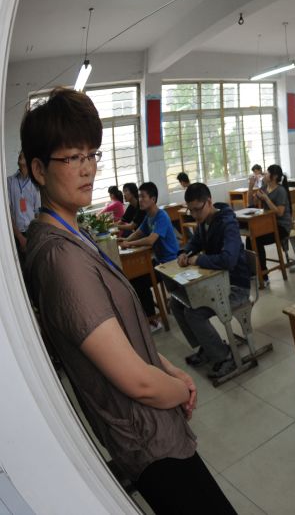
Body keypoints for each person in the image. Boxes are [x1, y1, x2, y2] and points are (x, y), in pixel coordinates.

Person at [20, 88, 234, 514]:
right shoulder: (60, 257)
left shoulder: (71, 233)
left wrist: (170, 368)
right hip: (147, 441)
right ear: (40, 169)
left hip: (156, 425)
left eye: (92, 154)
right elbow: (135, 382)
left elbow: (125, 335)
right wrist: (179, 388)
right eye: (72, 158)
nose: (88, 169)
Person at [171, 183, 250, 381]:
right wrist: (184, 252)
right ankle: (206, 347)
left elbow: (229, 260)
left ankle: (224, 357)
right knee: (176, 302)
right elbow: (194, 242)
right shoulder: (204, 221)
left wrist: (200, 259)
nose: (195, 215)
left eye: (198, 209)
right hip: (216, 283)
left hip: (235, 286)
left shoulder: (227, 223)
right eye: (191, 210)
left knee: (193, 313)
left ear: (209, 202)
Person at [119, 182, 180, 331]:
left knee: (139, 281)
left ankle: (154, 321)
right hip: (159, 261)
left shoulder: (161, 216)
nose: (140, 200)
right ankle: (149, 315)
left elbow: (151, 239)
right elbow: (139, 232)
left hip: (170, 262)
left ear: (153, 199)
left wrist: (130, 244)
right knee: (135, 277)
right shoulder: (148, 217)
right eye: (139, 196)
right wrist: (125, 241)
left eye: (143, 196)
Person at [246, 164, 292, 279]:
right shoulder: (264, 187)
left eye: (267, 173)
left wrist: (266, 198)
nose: (265, 175)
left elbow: (280, 213)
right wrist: (250, 188)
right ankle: (253, 271)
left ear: (274, 176)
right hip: (268, 224)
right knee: (249, 238)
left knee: (257, 239)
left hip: (281, 226)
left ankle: (264, 274)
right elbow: (251, 203)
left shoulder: (280, 190)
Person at [8, 150, 40, 254]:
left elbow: (38, 213)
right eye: (20, 154)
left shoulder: (35, 184)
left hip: (33, 234)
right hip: (15, 235)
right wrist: (20, 237)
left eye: (24, 154)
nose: (21, 154)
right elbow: (8, 213)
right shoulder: (9, 182)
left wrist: (33, 236)